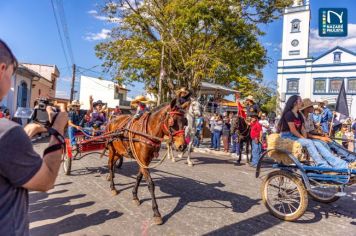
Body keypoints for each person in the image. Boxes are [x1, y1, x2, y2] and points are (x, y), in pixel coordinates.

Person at [0, 39, 68, 235]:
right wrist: (57, 129)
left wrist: (26, 131)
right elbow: (46, 181)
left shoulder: (10, 134)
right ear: (2, 69)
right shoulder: (7, 132)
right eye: (11, 75)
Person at [277, 95, 333, 168]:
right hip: (287, 136)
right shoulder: (289, 114)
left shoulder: (299, 114)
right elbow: (293, 130)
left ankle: (328, 162)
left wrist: (305, 138)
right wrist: (304, 139)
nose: (302, 103)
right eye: (300, 101)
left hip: (295, 136)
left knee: (315, 142)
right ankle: (322, 164)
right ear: (295, 103)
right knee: (309, 142)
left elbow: (302, 129)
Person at [300, 98, 353, 169]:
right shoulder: (301, 117)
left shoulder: (310, 116)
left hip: (318, 132)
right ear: (306, 108)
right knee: (324, 143)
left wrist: (321, 134)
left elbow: (312, 130)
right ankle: (339, 164)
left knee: (332, 142)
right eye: (311, 106)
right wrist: (321, 137)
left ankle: (350, 158)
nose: (314, 107)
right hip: (307, 138)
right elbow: (306, 134)